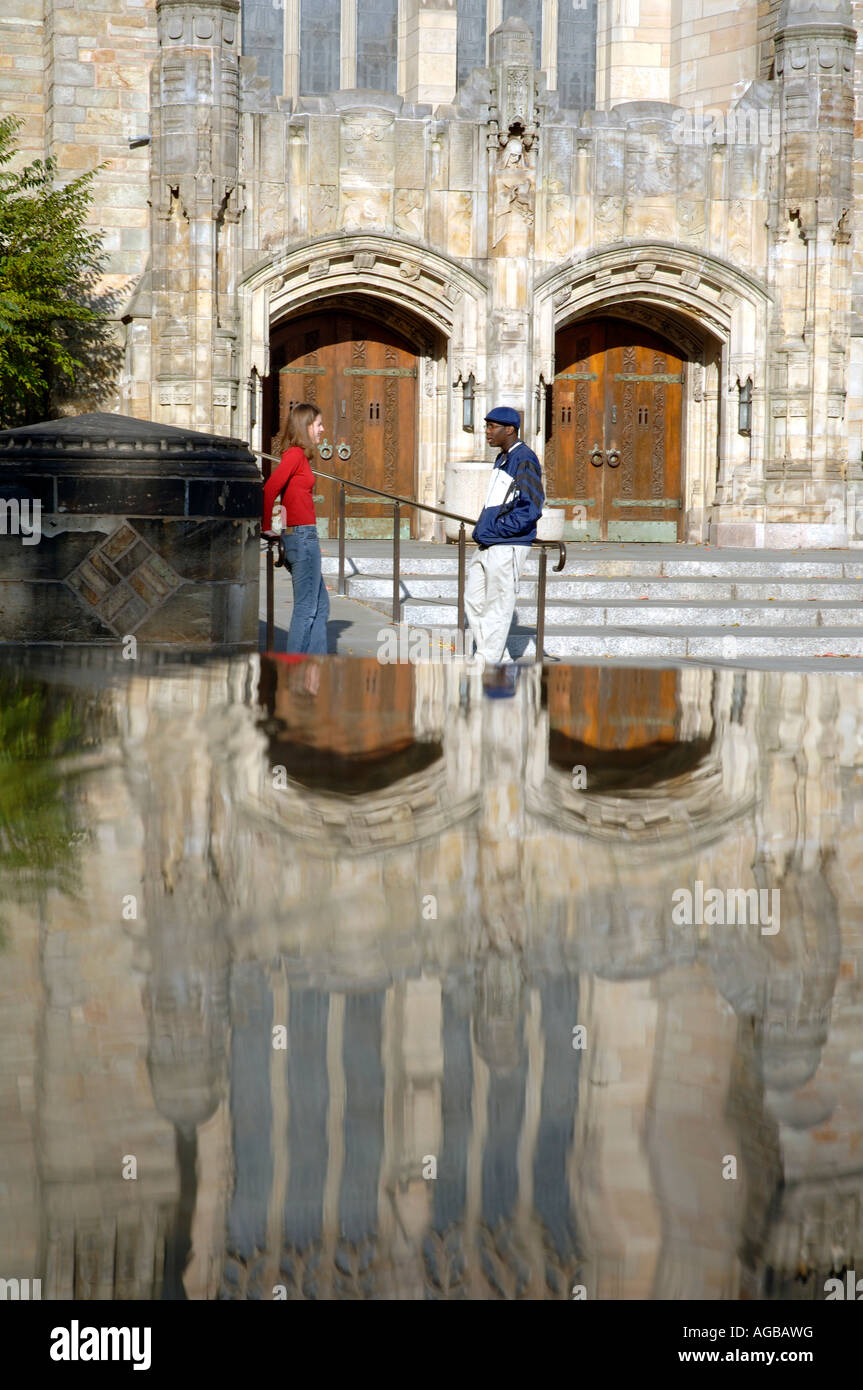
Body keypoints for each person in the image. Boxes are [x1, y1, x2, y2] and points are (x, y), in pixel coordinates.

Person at [465, 405, 545, 665]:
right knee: (474, 601)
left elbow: (531, 507)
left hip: (508, 545)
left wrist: (496, 530)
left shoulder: (524, 459)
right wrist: (486, 530)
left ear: (509, 429)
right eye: (486, 425)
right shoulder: (502, 457)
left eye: (492, 427)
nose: (486, 432)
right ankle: (499, 658)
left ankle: (487, 662)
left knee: (498, 607)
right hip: (489, 542)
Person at [262, 403, 330, 655]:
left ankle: (315, 667)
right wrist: (266, 527)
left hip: (302, 535)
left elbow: (288, 497)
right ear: (306, 426)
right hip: (302, 538)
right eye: (319, 424)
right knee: (306, 608)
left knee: (321, 607)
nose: (323, 429)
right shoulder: (294, 455)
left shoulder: (299, 456)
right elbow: (269, 489)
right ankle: (294, 669)